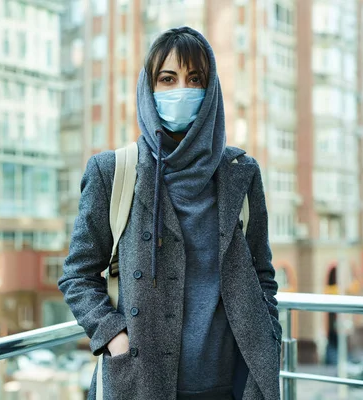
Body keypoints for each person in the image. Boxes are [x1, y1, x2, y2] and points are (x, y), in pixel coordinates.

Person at [58, 26, 282, 400]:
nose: (183, 89)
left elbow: (263, 275)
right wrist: (115, 338)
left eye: (195, 78)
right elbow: (77, 275)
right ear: (150, 89)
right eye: (168, 78)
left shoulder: (241, 172)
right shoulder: (112, 172)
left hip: (234, 383)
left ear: (211, 91)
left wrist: (269, 338)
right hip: (141, 380)